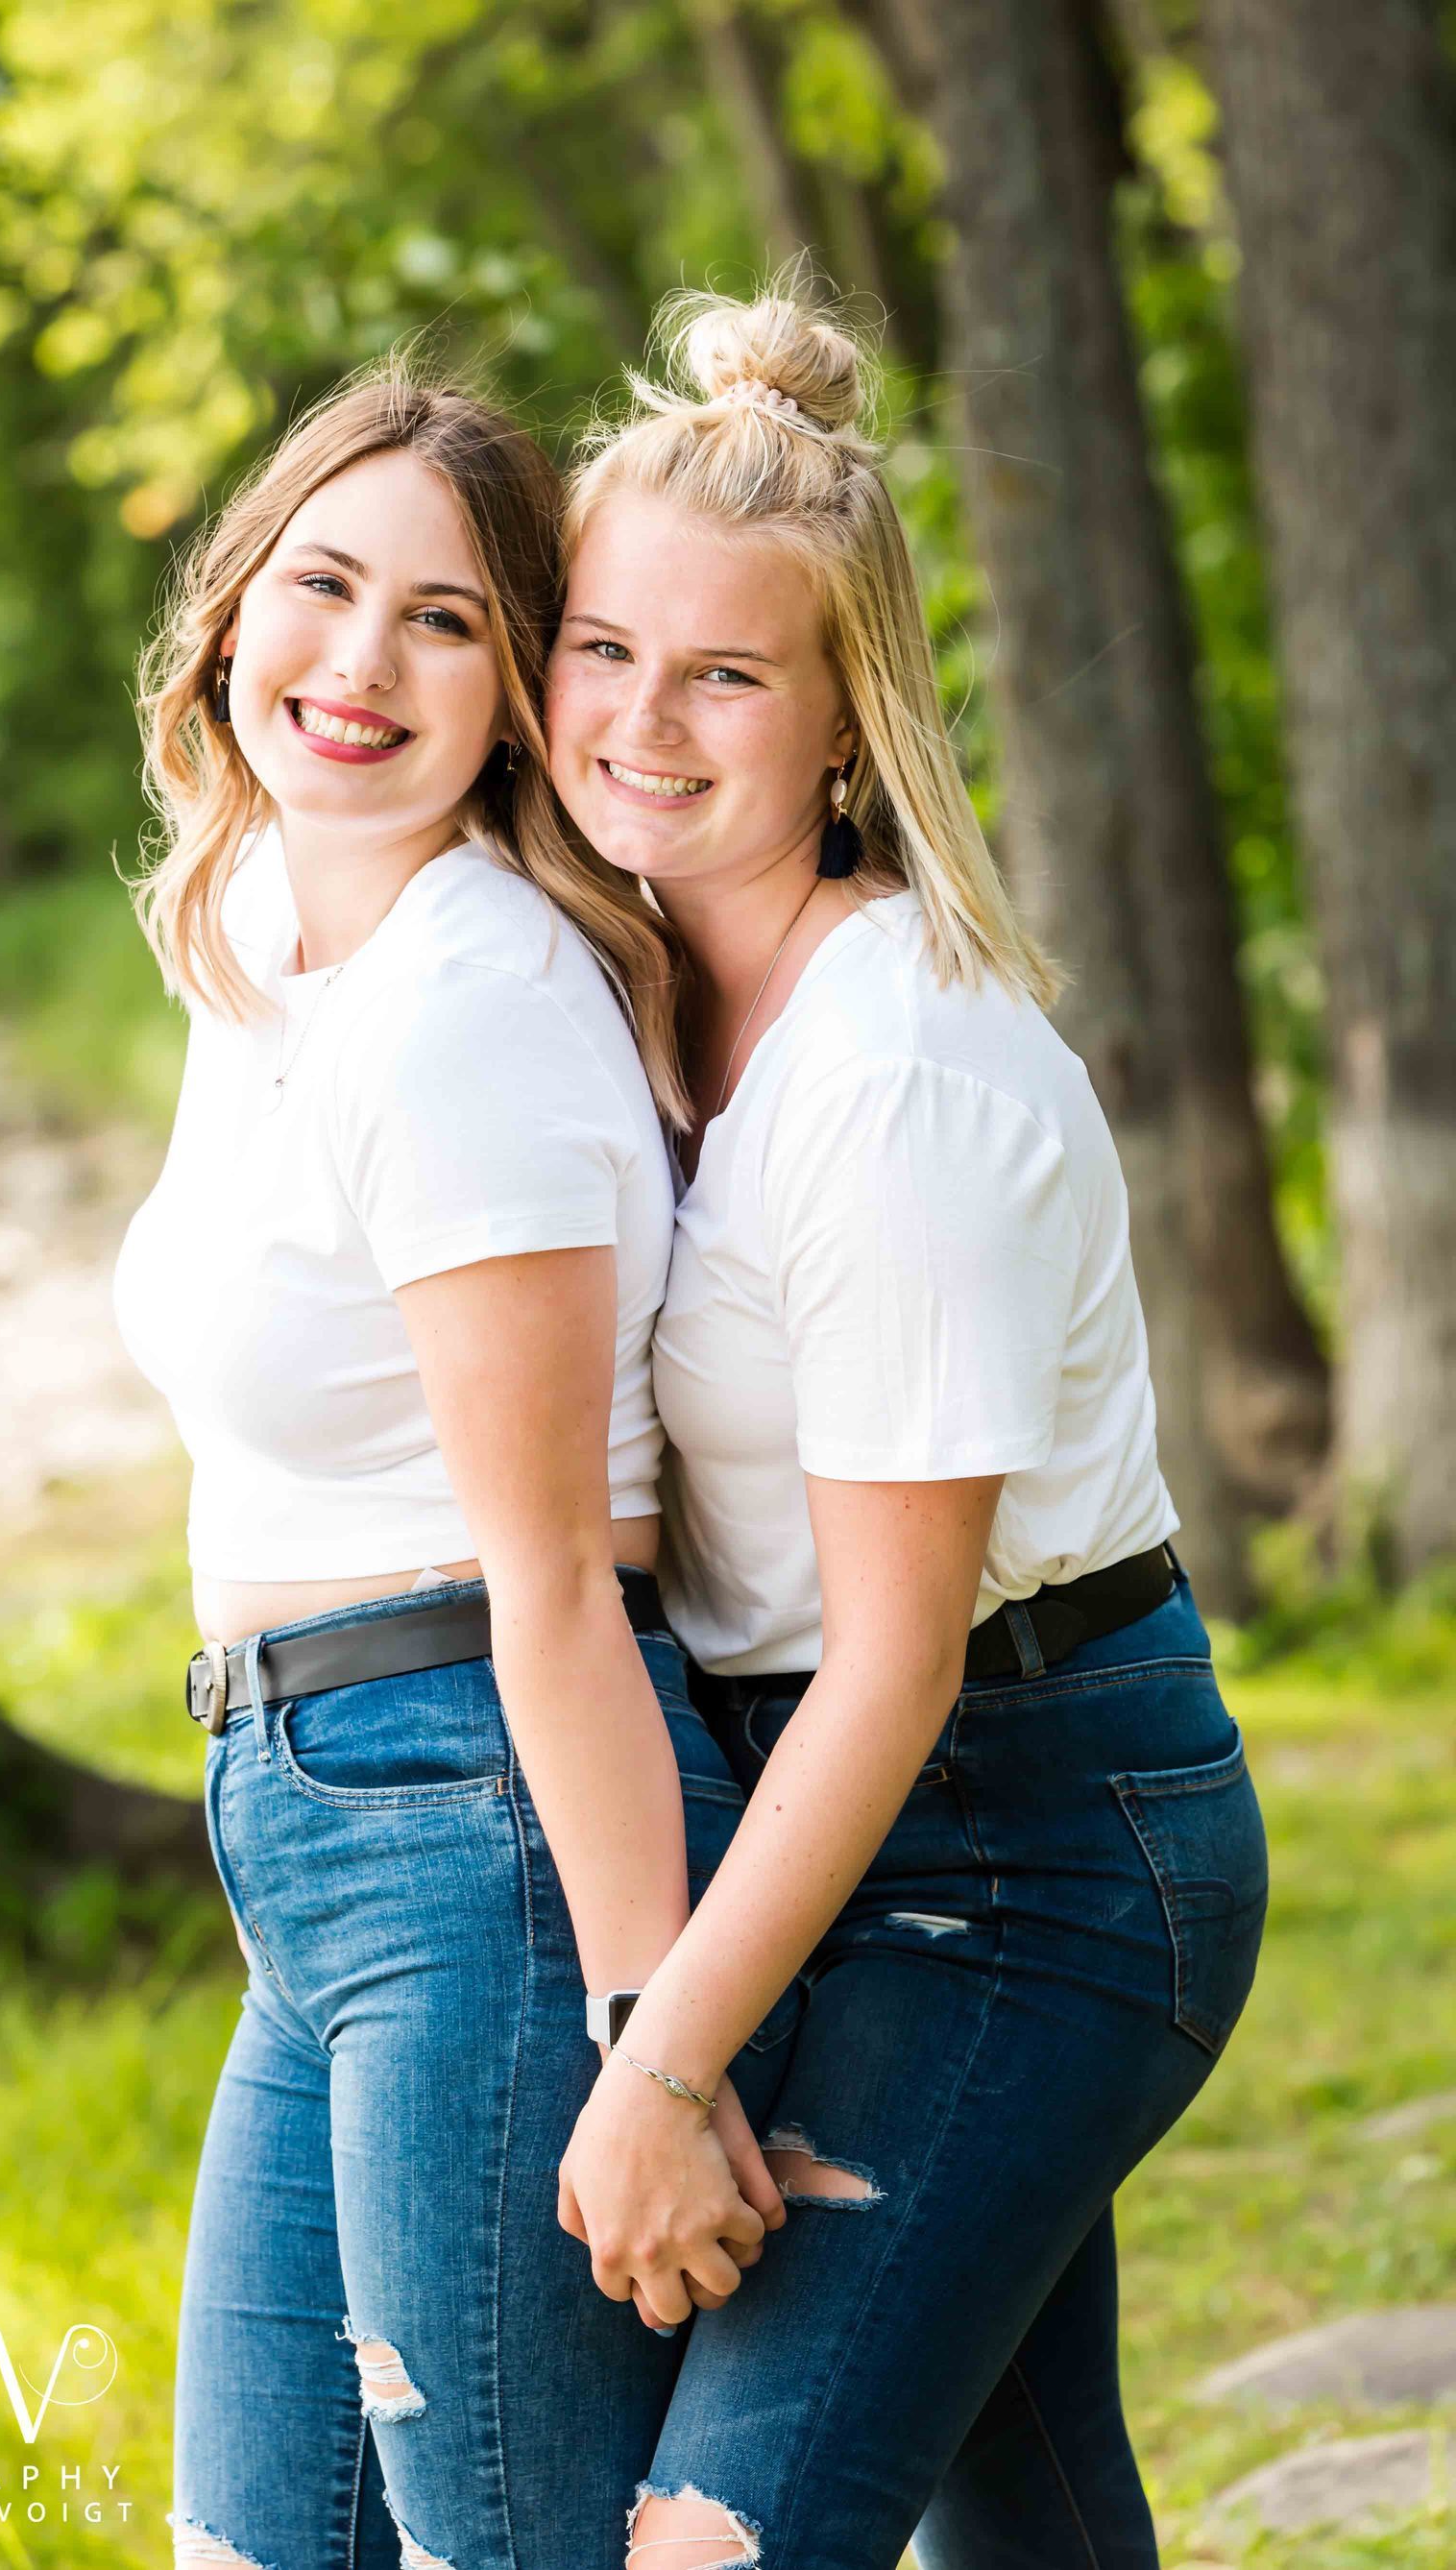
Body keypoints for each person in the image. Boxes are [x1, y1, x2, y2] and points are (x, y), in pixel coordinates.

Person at [542, 285, 1271, 2570]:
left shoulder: (900, 1084)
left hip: (1033, 1853)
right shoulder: (646, 1012)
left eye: (726, 674)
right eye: (600, 647)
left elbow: (897, 1651)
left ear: (846, 723)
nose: (641, 720)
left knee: (723, 2541)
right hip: (850, 1831)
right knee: (1027, 2521)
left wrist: (663, 2066)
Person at [112, 362, 801, 2570]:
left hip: (480, 1830)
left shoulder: (465, 1004)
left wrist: (653, 2049)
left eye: (446, 623)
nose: (361, 662)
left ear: (515, 695)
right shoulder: (273, 949)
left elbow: (560, 1582)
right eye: (325, 585)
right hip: (324, 1835)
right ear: (234, 612)